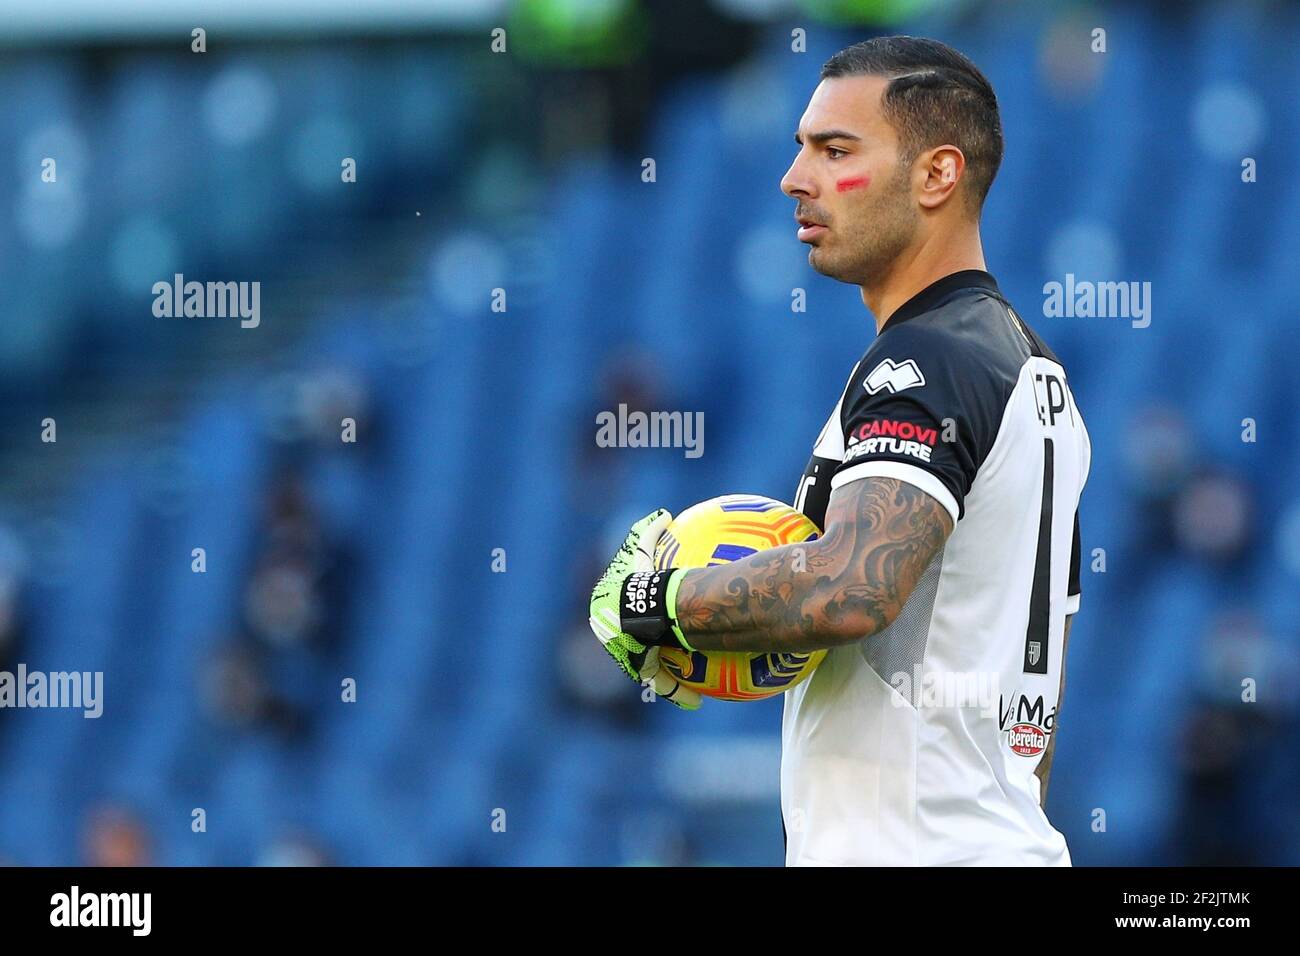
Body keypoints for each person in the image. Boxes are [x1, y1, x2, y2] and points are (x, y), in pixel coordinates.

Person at [589, 36, 1090, 866]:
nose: (796, 179)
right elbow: (1040, 696)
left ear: (937, 174)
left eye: (835, 150)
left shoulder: (931, 360)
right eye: (799, 149)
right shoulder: (1032, 377)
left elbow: (851, 588)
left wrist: (658, 601)